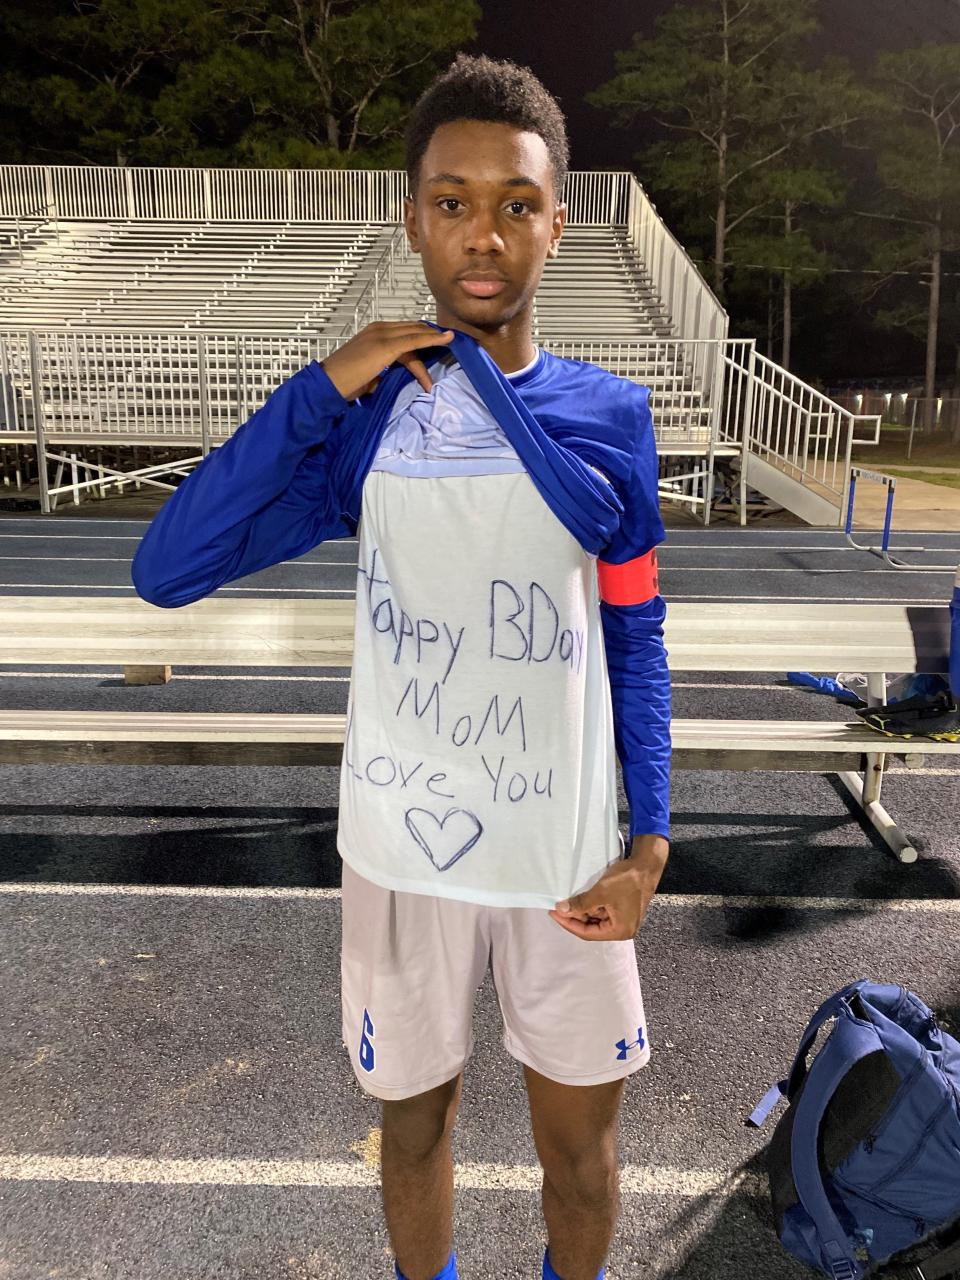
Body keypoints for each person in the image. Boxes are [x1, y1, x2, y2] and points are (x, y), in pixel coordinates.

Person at [131, 52, 671, 1280]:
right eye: (452, 199)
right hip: (404, 851)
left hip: (566, 857)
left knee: (581, 1160)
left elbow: (635, 632)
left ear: (557, 222)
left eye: (516, 203)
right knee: (413, 1135)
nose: (484, 233)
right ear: (412, 215)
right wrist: (322, 384)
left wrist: (651, 845)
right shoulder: (369, 415)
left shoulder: (613, 417)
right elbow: (168, 566)